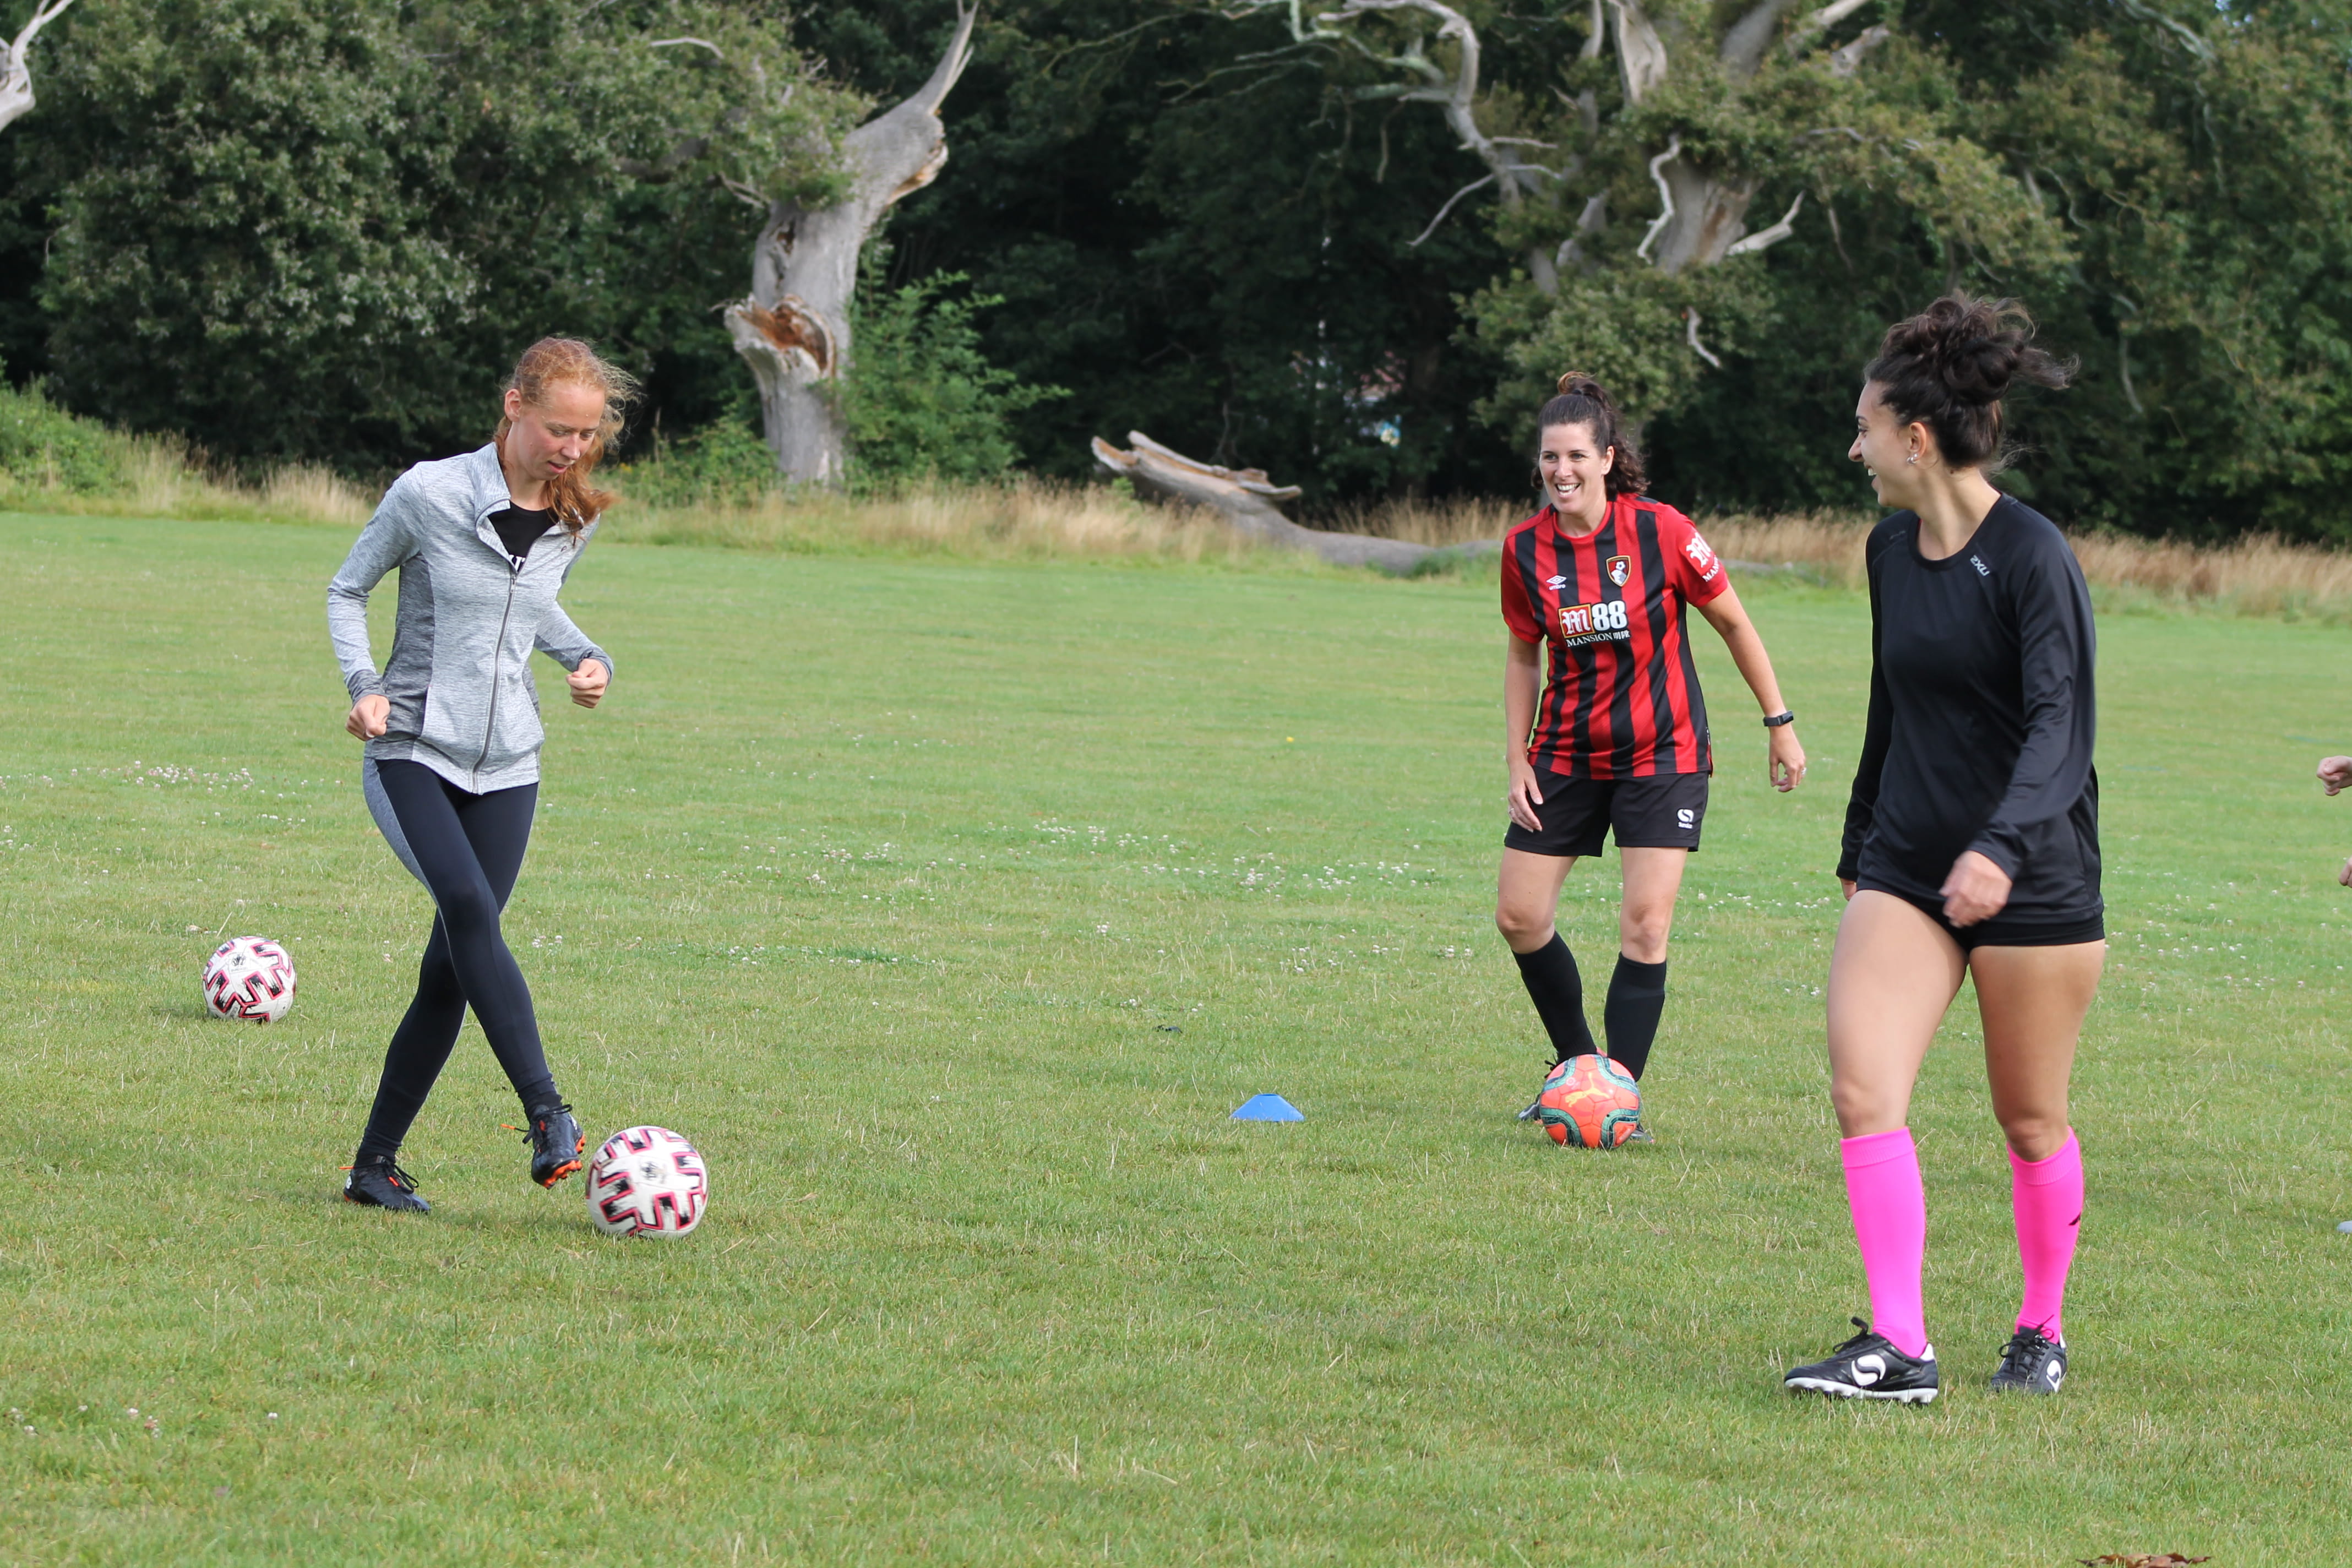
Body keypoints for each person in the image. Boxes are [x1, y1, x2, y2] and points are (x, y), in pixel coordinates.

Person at [1782, 295, 2094, 1403]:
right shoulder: (1886, 549)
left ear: (1916, 436)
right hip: (1911, 862)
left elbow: (2062, 727)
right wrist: (1864, 841)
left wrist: (2005, 847)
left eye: (1863, 425)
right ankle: (1898, 1345)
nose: (1852, 445)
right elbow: (1891, 704)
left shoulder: (2032, 556)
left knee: (2029, 1117)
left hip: (2036, 873)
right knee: (1864, 1086)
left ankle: (2041, 1325)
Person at [326, 337, 635, 1213]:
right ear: (513, 407)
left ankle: (373, 1169)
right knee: (468, 911)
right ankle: (548, 1112)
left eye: (587, 433)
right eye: (557, 429)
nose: (572, 449)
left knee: (451, 971)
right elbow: (347, 590)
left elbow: (527, 609)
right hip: (412, 752)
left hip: (510, 767)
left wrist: (586, 657)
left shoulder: (577, 516)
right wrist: (366, 686)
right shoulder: (429, 494)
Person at [1498, 373, 1806, 1129]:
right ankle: (1579, 1073)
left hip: (1662, 754)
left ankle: (1617, 1098)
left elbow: (1734, 623)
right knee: (1519, 914)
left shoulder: (1662, 531)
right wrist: (1517, 760)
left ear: (1607, 457)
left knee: (1645, 925)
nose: (1560, 472)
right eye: (1548, 458)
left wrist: (1779, 720)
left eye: (1575, 456)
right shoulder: (1523, 549)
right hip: (1565, 754)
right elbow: (1521, 658)